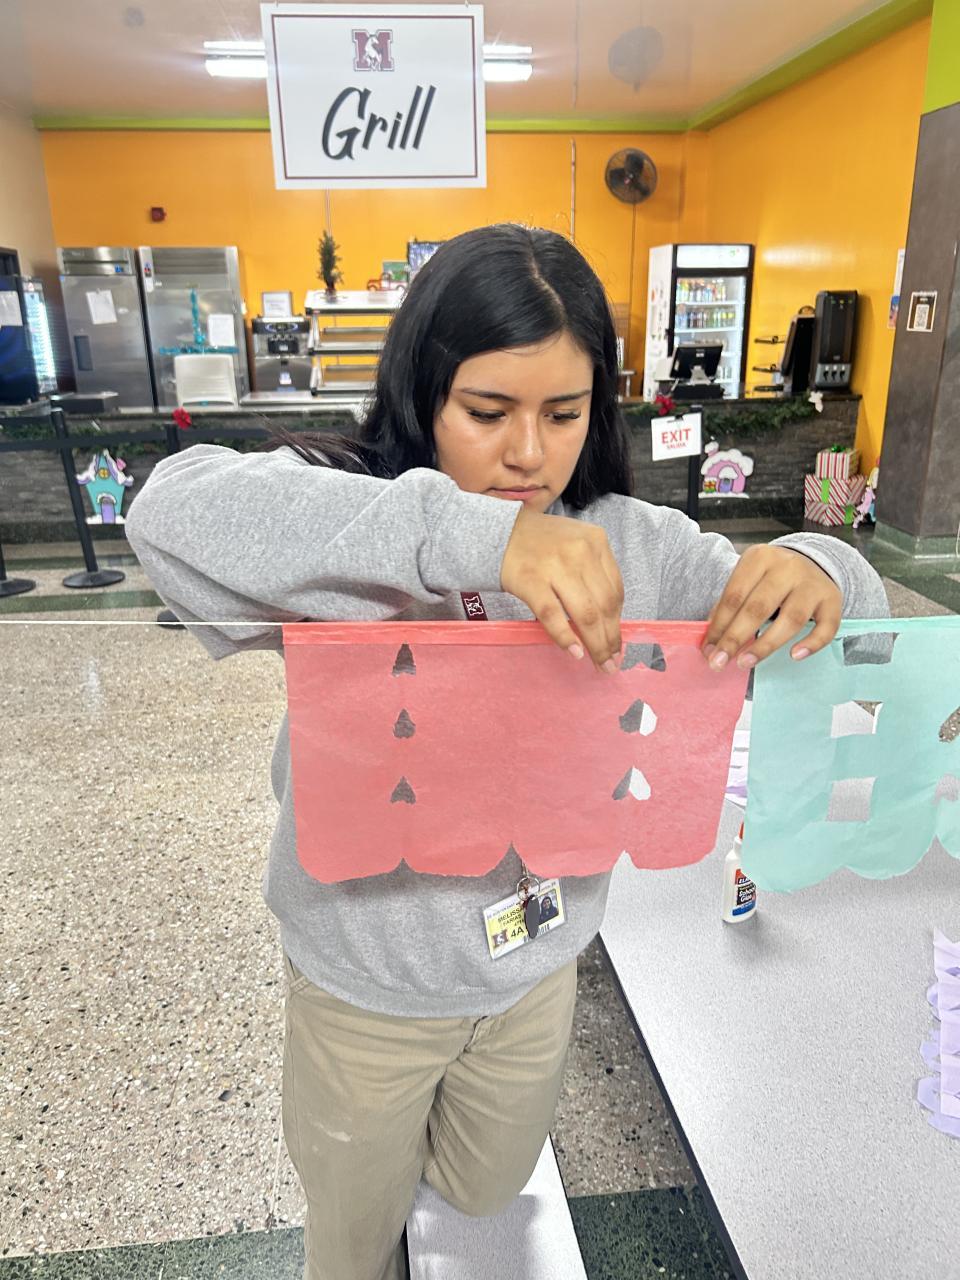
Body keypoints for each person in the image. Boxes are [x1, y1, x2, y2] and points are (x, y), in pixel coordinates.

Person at [125, 223, 887, 1280]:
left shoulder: (627, 543)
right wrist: (476, 537)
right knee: (353, 1231)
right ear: (423, 392)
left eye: (563, 413)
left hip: (535, 967)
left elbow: (845, 628)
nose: (528, 452)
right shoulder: (362, 523)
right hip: (366, 982)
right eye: (487, 413)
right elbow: (168, 509)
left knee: (484, 1188)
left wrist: (818, 566)